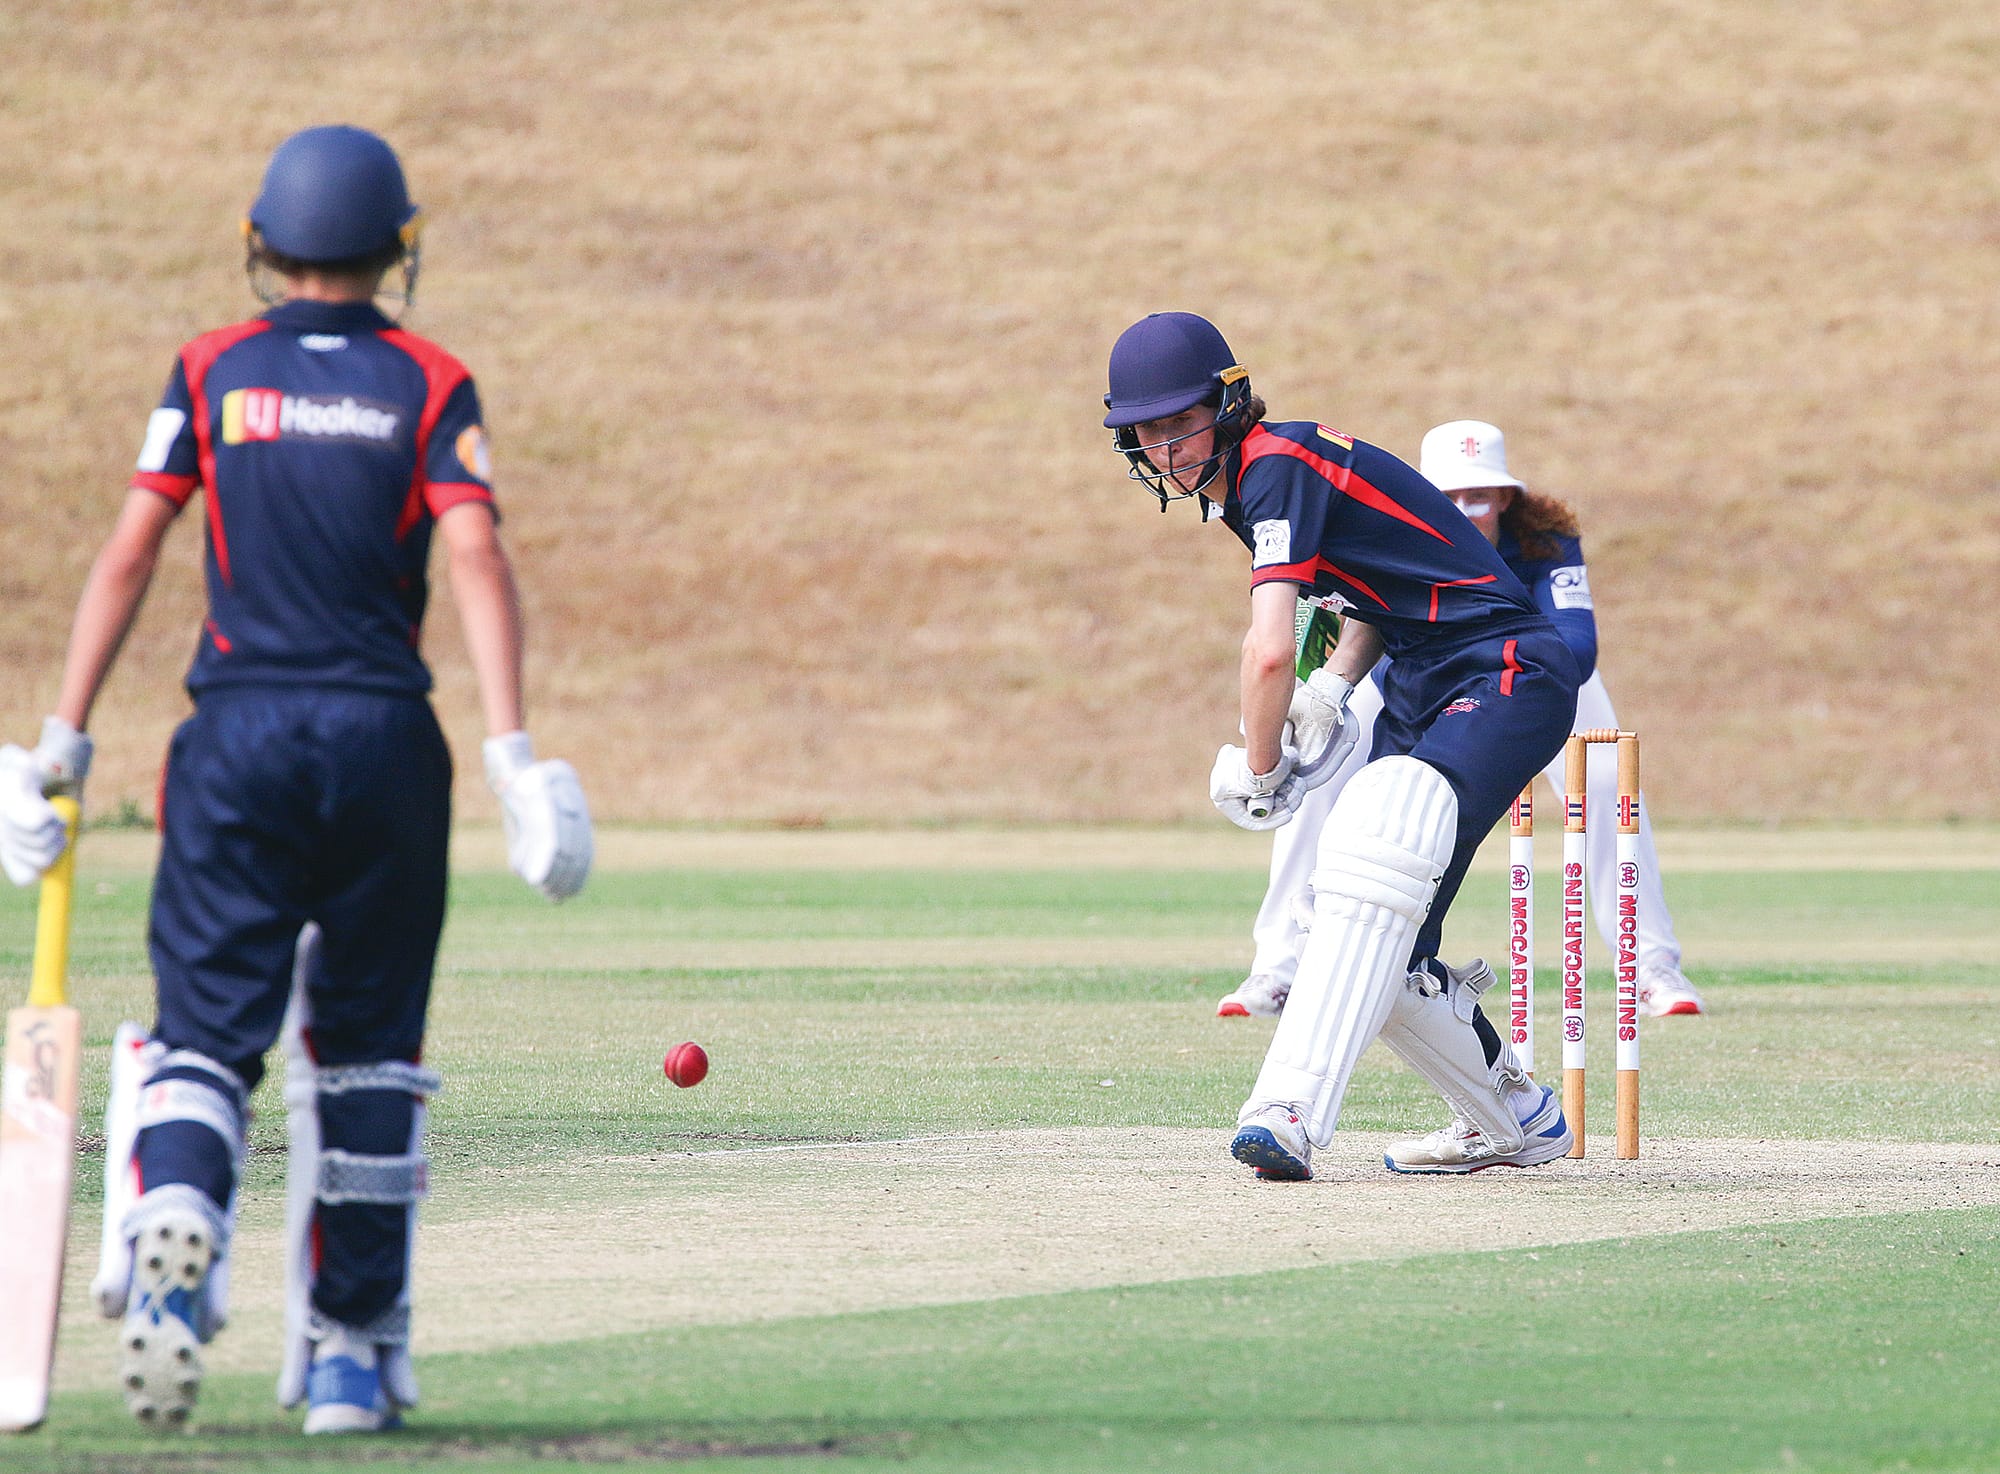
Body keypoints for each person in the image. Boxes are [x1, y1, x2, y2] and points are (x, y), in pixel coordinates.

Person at [0, 126, 593, 1435]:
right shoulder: (432, 381)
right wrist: (511, 751)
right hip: (387, 745)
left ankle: (176, 1207)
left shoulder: (211, 370)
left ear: (264, 244)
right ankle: (344, 1358)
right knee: (372, 1057)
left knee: (208, 1035)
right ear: (398, 247)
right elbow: (478, 555)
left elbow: (127, 553)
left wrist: (61, 740)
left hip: (237, 741)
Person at [1102, 312, 1579, 1180]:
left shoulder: (1276, 464)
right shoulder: (1257, 485)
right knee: (1372, 940)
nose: (1167, 448)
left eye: (1181, 422)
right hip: (1423, 673)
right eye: (1148, 432)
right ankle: (1514, 1115)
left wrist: (1260, 767)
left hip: (1505, 665)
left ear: (1229, 402)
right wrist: (1332, 688)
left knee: (1378, 840)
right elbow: (1375, 589)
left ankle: (1284, 1113)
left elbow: (1270, 648)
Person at [1223, 420, 1705, 1024]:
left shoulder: (1544, 543)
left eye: (1479, 496)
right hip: (1412, 668)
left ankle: (1652, 967)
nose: (1465, 510)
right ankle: (1279, 964)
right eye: (1449, 496)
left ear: (1505, 497)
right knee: (1319, 766)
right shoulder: (1400, 525)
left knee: (1608, 787)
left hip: (1537, 673)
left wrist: (1495, 683)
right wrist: (1328, 692)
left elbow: (1577, 649)